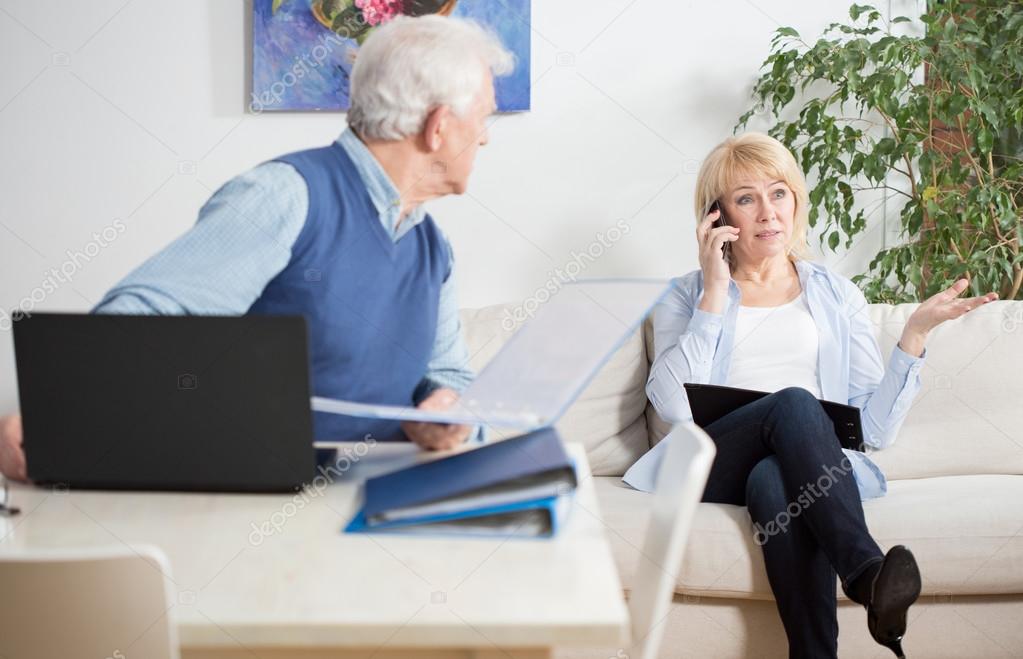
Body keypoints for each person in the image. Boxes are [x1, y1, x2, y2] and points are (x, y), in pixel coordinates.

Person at [0, 15, 514, 481]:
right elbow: (141, 320)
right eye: (484, 118)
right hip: (261, 501)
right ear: (439, 126)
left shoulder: (432, 246)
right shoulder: (287, 195)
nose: (486, 139)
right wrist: (57, 414)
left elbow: (447, 378)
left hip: (375, 495)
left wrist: (447, 415)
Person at [622, 132, 999, 658]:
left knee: (774, 478)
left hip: (806, 468)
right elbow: (674, 406)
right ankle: (867, 572)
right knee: (795, 402)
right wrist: (713, 292)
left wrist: (912, 336)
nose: (768, 212)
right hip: (713, 460)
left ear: (796, 200)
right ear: (718, 215)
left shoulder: (835, 295)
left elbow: (874, 431)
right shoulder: (686, 295)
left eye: (779, 193)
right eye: (746, 198)